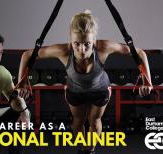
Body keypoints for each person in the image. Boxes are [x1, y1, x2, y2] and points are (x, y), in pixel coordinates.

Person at [17, 10, 152, 154]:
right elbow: (27, 55)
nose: (82, 50)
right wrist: (22, 82)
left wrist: (147, 80)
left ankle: (91, 150)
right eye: (77, 44)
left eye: (87, 44)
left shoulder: (103, 47)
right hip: (75, 90)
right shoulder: (63, 51)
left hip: (100, 88)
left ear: (94, 40)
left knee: (94, 120)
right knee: (78, 120)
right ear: (71, 40)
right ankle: (82, 149)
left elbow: (139, 53)